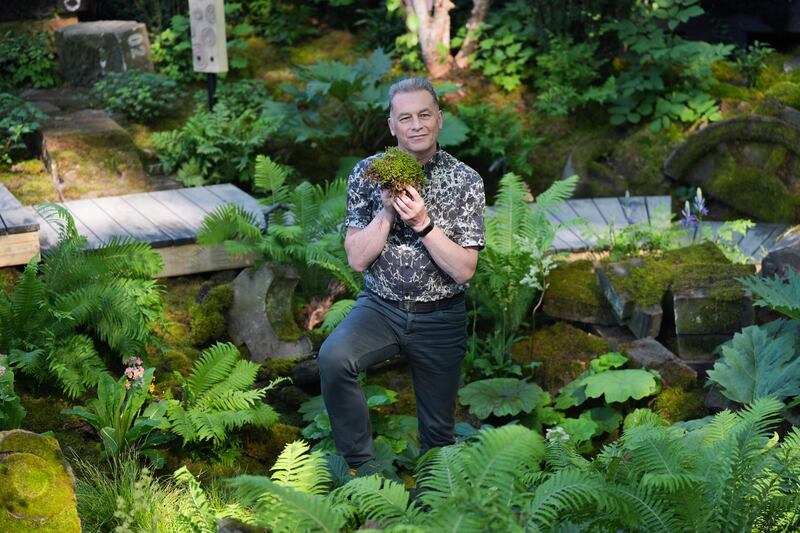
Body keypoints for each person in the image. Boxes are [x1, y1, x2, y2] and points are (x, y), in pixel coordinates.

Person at [317, 77, 485, 474]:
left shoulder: (466, 181)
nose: (416, 125)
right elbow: (357, 259)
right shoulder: (367, 174)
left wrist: (424, 223)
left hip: (441, 316)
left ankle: (429, 508)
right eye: (405, 117)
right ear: (392, 125)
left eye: (424, 114)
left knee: (439, 434)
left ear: (439, 119)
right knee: (333, 358)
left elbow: (464, 270)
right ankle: (364, 471)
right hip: (380, 308)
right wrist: (387, 211)